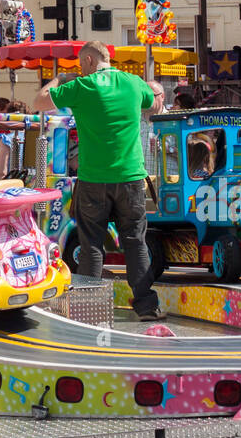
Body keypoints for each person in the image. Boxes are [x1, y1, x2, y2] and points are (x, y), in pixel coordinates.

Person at [35, 42, 165, 320]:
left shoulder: (82, 87)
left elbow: (39, 102)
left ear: (91, 60)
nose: (80, 70)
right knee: (135, 242)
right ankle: (147, 307)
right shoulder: (132, 82)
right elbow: (154, 105)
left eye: (81, 64)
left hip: (93, 179)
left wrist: (60, 78)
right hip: (130, 177)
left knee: (92, 243)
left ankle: (89, 309)